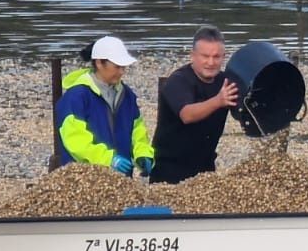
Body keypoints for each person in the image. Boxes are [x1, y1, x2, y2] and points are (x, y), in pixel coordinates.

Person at [56, 35, 155, 176]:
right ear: (99, 63)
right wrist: (109, 159)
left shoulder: (126, 95)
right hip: (82, 180)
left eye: (123, 67)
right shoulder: (76, 96)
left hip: (121, 179)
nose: (122, 72)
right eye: (117, 67)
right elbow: (75, 141)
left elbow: (137, 130)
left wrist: (142, 155)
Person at [151, 26, 238, 184]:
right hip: (170, 168)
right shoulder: (177, 81)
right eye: (205, 56)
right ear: (192, 56)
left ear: (224, 57)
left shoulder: (224, 82)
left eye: (216, 57)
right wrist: (218, 101)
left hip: (205, 167)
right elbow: (187, 115)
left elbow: (247, 108)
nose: (211, 62)